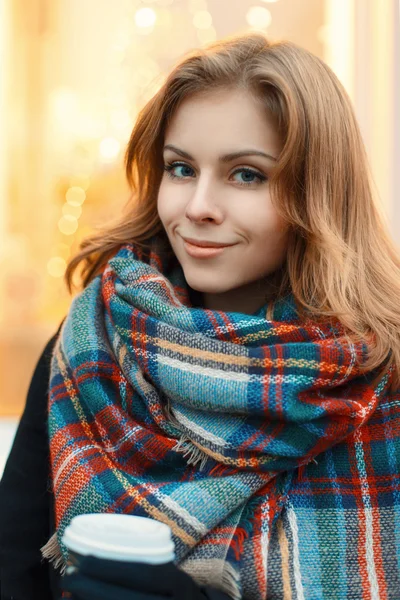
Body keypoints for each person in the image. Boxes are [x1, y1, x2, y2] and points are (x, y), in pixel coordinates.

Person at [1, 31, 400, 600]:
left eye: (247, 175)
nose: (197, 207)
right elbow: (13, 568)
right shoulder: (94, 338)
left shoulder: (380, 374)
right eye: (181, 168)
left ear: (318, 195)